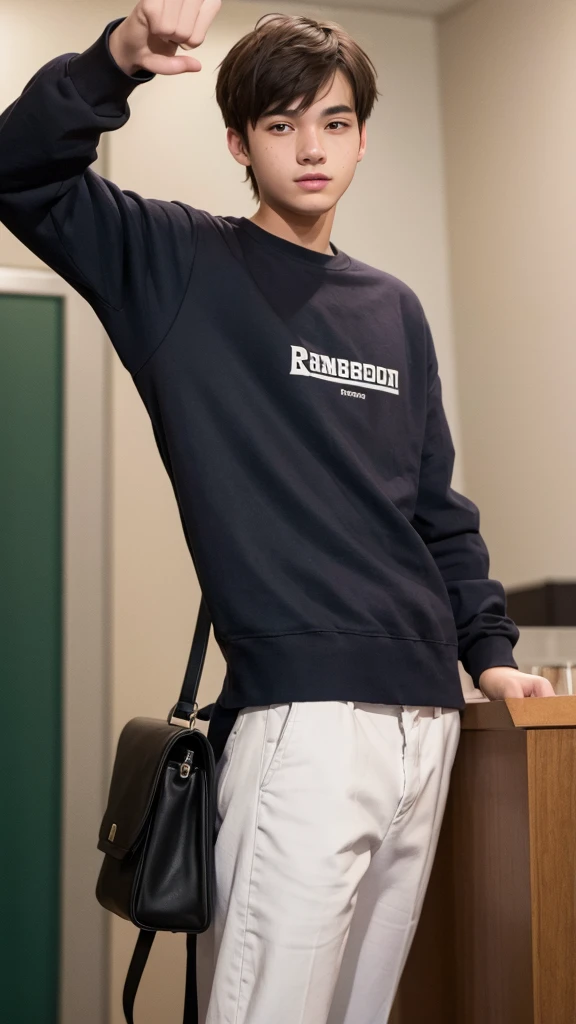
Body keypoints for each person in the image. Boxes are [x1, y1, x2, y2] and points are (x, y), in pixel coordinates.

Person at [0, 3, 555, 1022]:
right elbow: (19, 173)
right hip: (304, 723)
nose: (311, 147)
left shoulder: (393, 308)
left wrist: (487, 649)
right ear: (239, 143)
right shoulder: (176, 264)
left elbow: (435, 507)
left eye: (334, 122)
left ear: (361, 137)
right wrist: (120, 53)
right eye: (282, 123)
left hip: (427, 718)